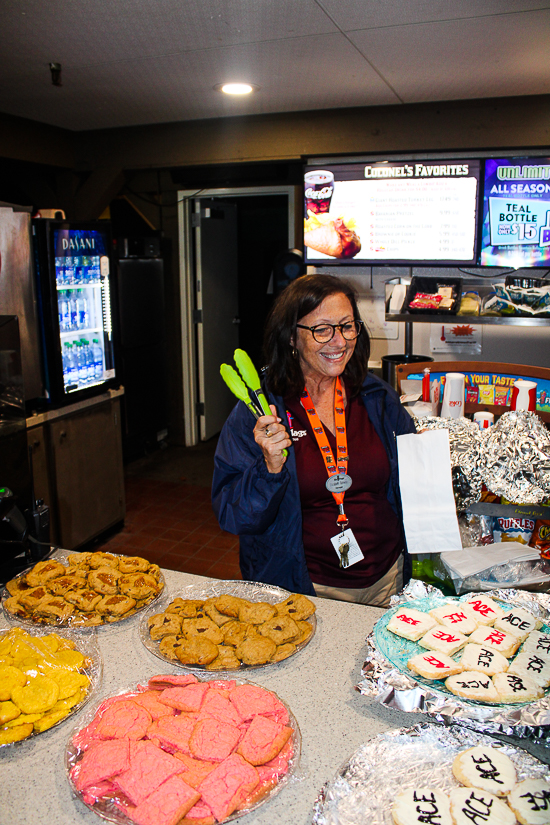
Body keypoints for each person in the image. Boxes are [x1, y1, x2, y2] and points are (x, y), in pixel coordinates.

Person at [212, 274, 416, 607]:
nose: (339, 341)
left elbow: (413, 483)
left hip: (387, 579)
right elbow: (234, 516)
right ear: (291, 337)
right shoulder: (261, 412)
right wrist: (269, 468)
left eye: (347, 326)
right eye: (322, 330)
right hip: (304, 589)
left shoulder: (377, 398)